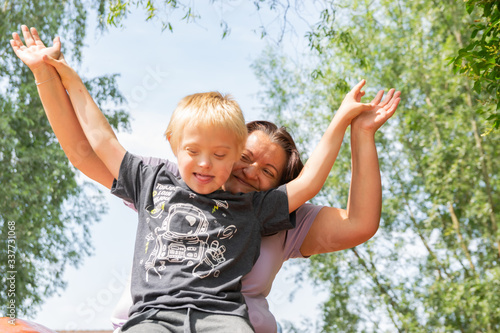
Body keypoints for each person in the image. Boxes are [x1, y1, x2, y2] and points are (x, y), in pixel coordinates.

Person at [10, 26, 400, 332]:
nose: (249, 171)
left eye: (266, 172)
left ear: (279, 188)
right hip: (151, 319)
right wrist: (48, 73)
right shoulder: (165, 184)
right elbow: (88, 147)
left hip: (222, 320)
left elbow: (352, 216)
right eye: (245, 158)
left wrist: (356, 131)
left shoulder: (272, 214)